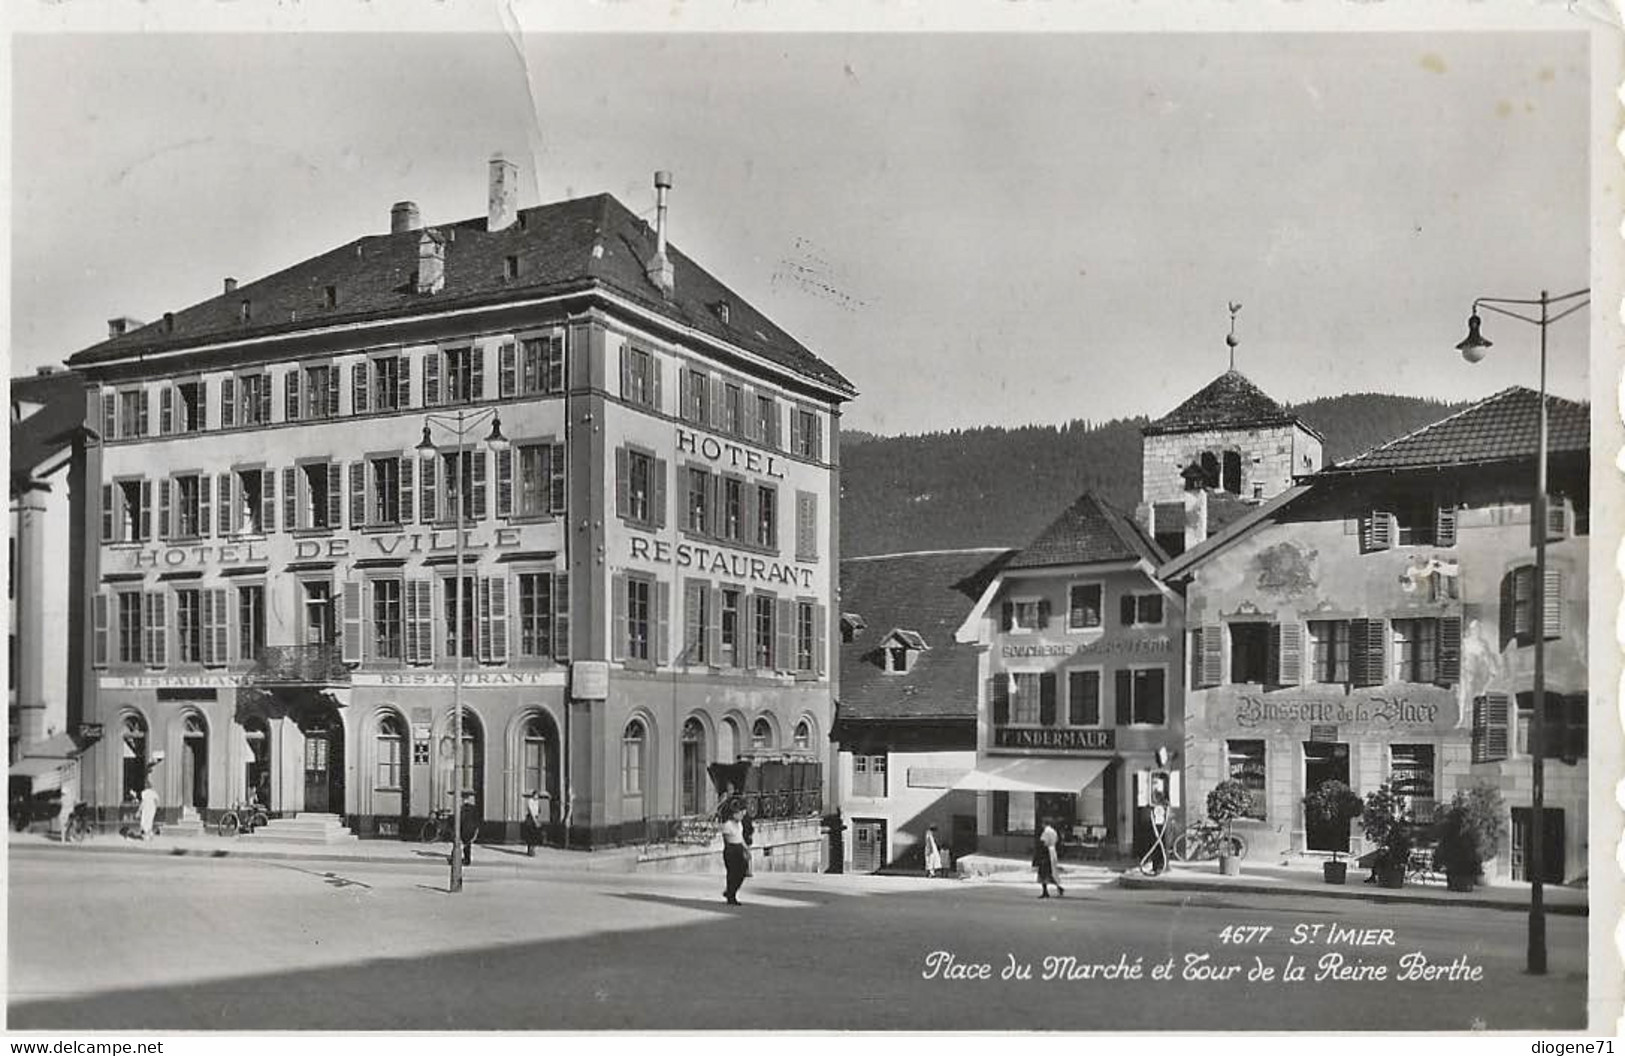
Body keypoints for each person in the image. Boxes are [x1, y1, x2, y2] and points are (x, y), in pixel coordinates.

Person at [720, 803, 749, 905]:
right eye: (739, 813)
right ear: (734, 814)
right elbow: (727, 840)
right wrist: (730, 851)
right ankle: (731, 897)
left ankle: (730, 891)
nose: (742, 815)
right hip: (731, 849)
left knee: (742, 872)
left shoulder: (739, 824)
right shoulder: (727, 825)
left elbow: (740, 838)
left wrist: (746, 849)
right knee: (732, 874)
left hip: (739, 848)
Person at [1035, 819, 1064, 898]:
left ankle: (1045, 892)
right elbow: (1057, 840)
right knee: (1052, 872)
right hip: (1052, 851)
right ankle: (1058, 887)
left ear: (1044, 824)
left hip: (1046, 852)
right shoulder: (1054, 831)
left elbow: (1043, 842)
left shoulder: (1046, 832)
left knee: (1043, 873)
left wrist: (1038, 853)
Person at [459, 793, 481, 867]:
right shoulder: (472, 808)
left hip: (465, 828)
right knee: (467, 845)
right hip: (470, 828)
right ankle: (466, 859)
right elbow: (477, 819)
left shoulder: (463, 808)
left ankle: (465, 859)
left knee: (465, 844)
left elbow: (461, 818)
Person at [522, 789, 546, 857]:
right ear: (533, 795)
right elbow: (531, 810)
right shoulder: (530, 801)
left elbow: (538, 811)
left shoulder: (537, 802)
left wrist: (537, 818)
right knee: (530, 833)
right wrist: (535, 820)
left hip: (536, 817)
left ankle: (533, 849)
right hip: (531, 818)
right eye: (536, 795)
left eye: (537, 796)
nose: (537, 797)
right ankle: (530, 849)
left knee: (536, 834)